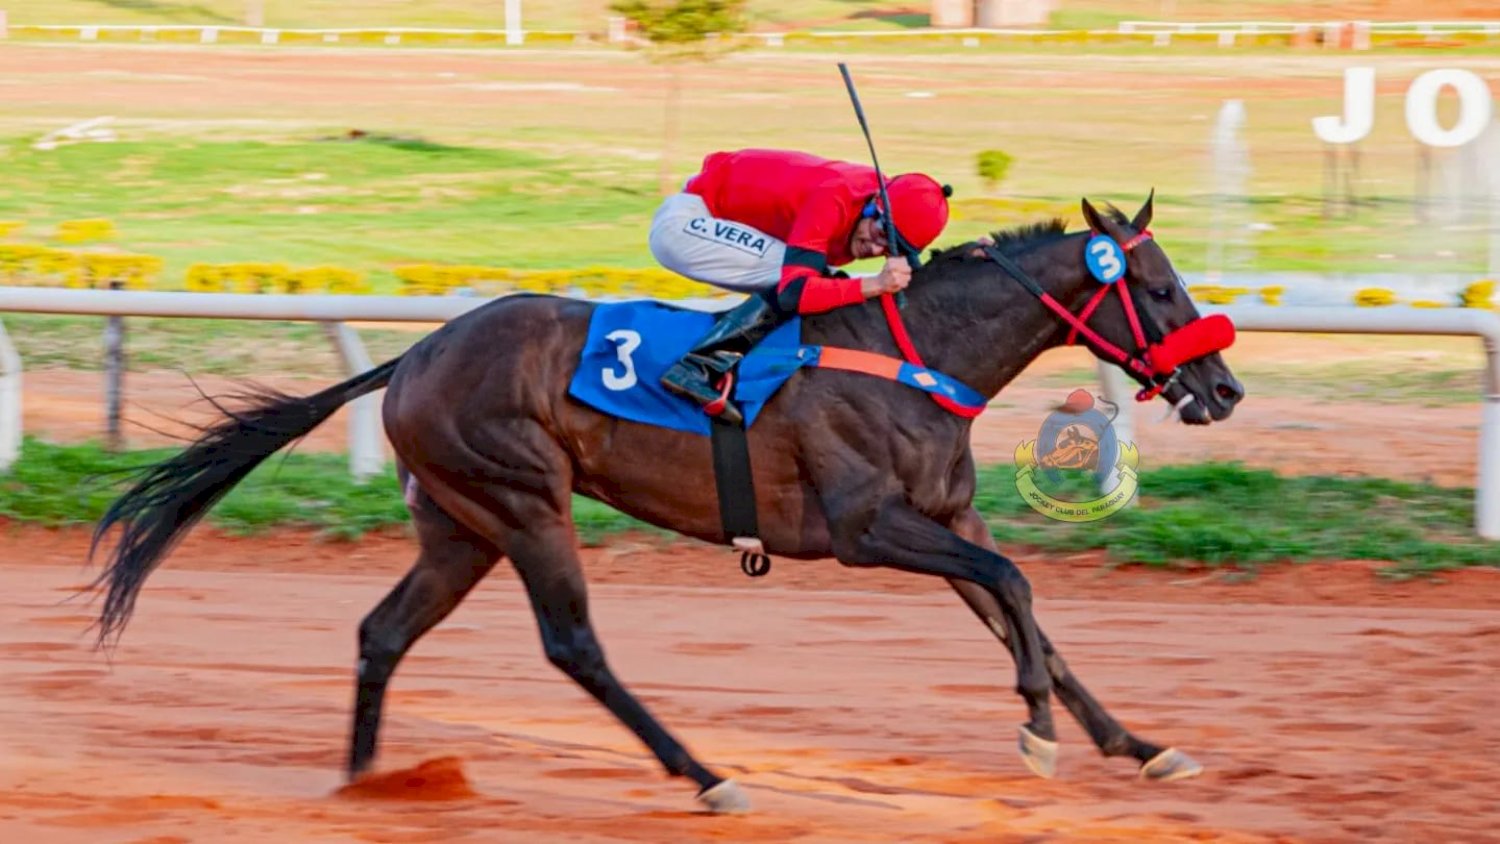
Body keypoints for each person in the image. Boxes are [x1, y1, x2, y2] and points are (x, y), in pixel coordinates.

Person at [649, 148, 953, 424]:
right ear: (874, 207)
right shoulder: (834, 197)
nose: (875, 249)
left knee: (826, 285)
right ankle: (697, 366)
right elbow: (794, 292)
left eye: (890, 248)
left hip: (721, 215)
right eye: (880, 234)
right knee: (801, 282)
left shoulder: (886, 199)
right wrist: (874, 284)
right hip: (686, 224)